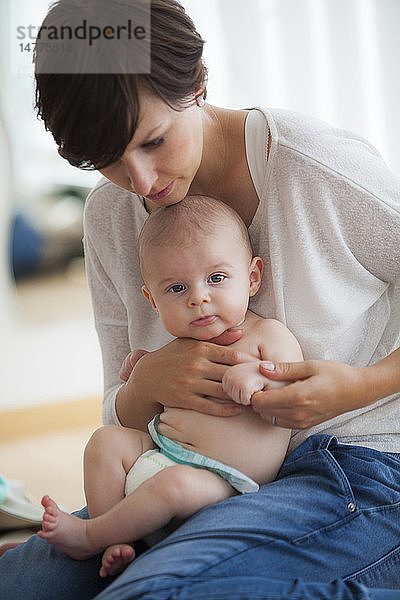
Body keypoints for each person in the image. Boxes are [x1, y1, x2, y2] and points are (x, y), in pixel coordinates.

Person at [1, 0, 400, 598]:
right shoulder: (110, 217)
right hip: (186, 471)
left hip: (355, 464)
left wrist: (360, 386)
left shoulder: (315, 166)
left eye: (154, 141)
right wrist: (145, 385)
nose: (141, 183)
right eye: (107, 161)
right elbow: (120, 410)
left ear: (199, 84)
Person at [37, 195, 303, 578]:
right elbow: (150, 394)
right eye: (176, 289)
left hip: (222, 483)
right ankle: (118, 538)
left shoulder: (268, 335)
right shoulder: (179, 347)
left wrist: (258, 380)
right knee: (105, 441)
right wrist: (141, 368)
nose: (199, 297)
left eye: (216, 278)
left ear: (253, 278)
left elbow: (293, 387)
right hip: (161, 451)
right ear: (153, 301)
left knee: (174, 484)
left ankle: (91, 536)